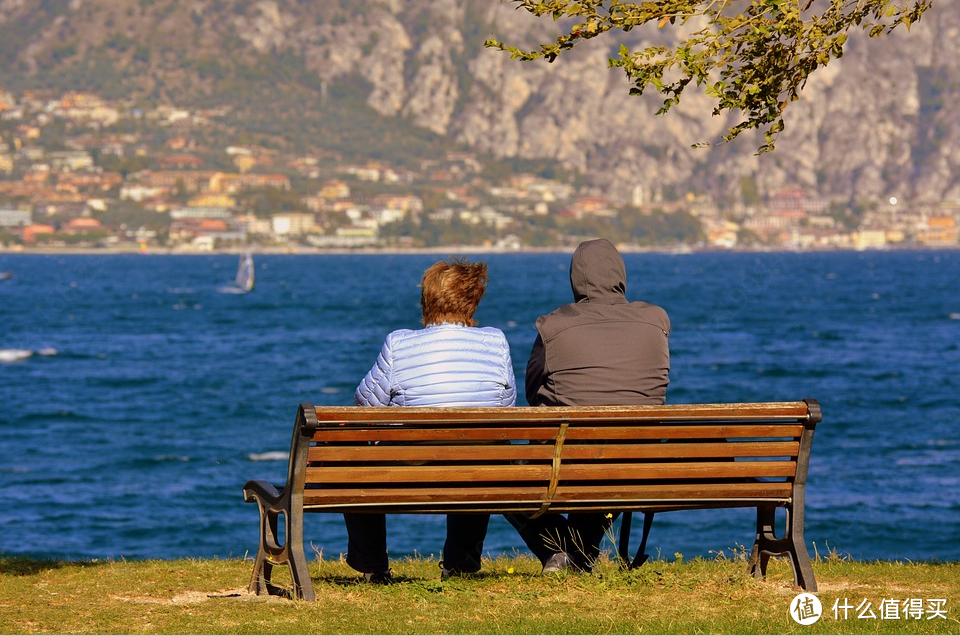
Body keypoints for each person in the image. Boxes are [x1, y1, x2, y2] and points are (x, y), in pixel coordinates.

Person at [346, 256, 517, 583]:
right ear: (473, 299)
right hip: (475, 468)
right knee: (480, 449)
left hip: (411, 469)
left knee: (354, 463)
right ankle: (461, 564)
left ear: (427, 300)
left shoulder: (399, 343)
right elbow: (505, 405)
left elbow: (365, 402)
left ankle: (374, 566)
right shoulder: (496, 341)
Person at [506, 238, 670, 573]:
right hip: (640, 459)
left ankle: (563, 551)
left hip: (568, 455)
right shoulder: (656, 321)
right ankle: (577, 555)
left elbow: (532, 389)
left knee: (501, 470)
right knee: (614, 458)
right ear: (620, 274)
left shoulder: (553, 326)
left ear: (575, 279)